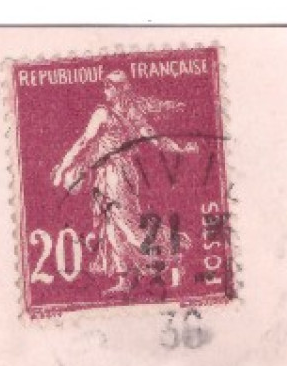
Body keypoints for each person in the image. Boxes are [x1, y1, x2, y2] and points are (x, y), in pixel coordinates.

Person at [50, 70, 199, 295]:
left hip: (115, 173)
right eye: (106, 86)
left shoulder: (105, 113)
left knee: (127, 226)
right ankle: (124, 279)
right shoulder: (132, 113)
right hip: (113, 173)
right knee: (112, 228)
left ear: (119, 90)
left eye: (109, 87)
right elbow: (155, 139)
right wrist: (179, 148)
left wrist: (62, 168)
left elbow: (83, 142)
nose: (105, 90)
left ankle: (173, 253)